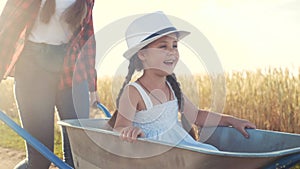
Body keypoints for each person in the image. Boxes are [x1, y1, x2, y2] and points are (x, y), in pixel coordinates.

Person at [108, 11, 256, 150]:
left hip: (181, 150)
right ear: (142, 54)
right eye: (163, 46)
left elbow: (196, 116)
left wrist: (232, 121)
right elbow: (119, 127)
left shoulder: (172, 88)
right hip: (154, 155)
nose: (172, 51)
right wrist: (129, 131)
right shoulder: (134, 92)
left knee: (212, 153)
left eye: (175, 45)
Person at [0, 0, 99, 168]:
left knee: (78, 157)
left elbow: (87, 37)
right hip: (33, 68)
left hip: (71, 67)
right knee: (40, 157)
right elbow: (6, 30)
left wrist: (92, 85)